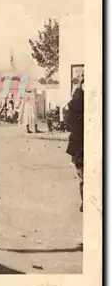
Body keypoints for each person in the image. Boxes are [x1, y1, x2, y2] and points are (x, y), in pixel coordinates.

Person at [66, 76, 84, 212]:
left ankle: (85, 202)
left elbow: (68, 121)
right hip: (82, 144)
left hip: (78, 146)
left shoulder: (73, 110)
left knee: (82, 176)